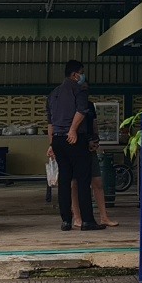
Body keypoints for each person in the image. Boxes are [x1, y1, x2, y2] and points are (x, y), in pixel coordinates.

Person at [46, 59, 103, 231]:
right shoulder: (80, 89)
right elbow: (81, 111)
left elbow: (50, 122)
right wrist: (72, 130)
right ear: (75, 74)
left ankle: (66, 221)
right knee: (83, 179)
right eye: (81, 72)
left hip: (58, 140)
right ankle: (87, 221)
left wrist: (51, 143)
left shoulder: (53, 93)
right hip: (75, 139)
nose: (83, 76)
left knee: (64, 180)